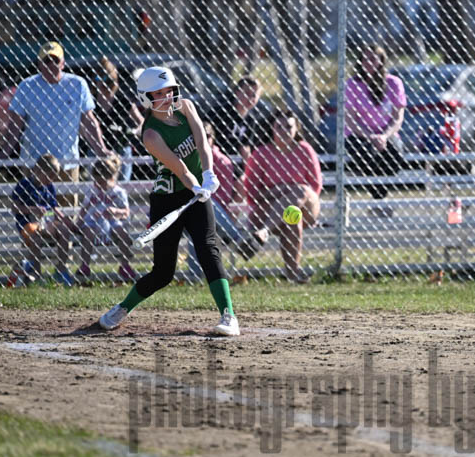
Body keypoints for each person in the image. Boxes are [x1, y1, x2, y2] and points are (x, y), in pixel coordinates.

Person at [97, 66, 238, 336]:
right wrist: (196, 185)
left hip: (197, 193)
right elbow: (181, 169)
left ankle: (228, 316)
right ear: (146, 97)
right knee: (163, 272)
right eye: (158, 94)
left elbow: (202, 142)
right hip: (167, 198)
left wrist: (208, 174)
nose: (166, 98)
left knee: (208, 249)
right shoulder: (151, 134)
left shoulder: (185, 106)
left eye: (169, 91)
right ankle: (123, 307)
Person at [8, 41, 109, 206]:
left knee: (67, 211)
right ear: (39, 64)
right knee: (36, 210)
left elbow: (88, 120)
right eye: (46, 60)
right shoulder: (27, 86)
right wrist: (5, 150)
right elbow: (15, 123)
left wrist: (101, 149)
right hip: (35, 163)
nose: (51, 65)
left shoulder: (77, 84)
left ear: (63, 63)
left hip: (66, 163)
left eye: (55, 60)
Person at [245, 109, 323, 283]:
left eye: (289, 127)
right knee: (292, 215)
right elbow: (252, 193)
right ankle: (293, 273)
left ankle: (264, 232)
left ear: (296, 129)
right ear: (272, 129)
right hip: (270, 210)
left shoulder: (305, 150)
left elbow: (314, 187)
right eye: (279, 127)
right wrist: (284, 190)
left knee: (300, 193)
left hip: (307, 207)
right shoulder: (261, 154)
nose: (284, 131)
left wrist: (283, 190)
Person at [186, 122, 268, 277]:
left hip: (213, 217)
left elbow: (222, 199)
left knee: (203, 209)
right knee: (200, 206)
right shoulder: (184, 160)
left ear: (213, 138)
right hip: (183, 212)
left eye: (207, 136)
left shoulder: (223, 162)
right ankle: (238, 240)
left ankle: (195, 277)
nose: (202, 139)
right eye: (197, 135)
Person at [344, 45, 406, 208]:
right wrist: (370, 136)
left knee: (395, 155)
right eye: (365, 59)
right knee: (366, 153)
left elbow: (398, 118)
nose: (368, 63)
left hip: (387, 134)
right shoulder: (353, 84)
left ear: (381, 61)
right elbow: (350, 120)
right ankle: (379, 200)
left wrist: (384, 136)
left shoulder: (394, 83)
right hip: (359, 135)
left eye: (373, 59)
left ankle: (378, 200)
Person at [7, 153, 78, 287]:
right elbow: (15, 207)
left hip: (46, 222)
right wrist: (32, 209)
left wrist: (65, 220)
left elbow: (53, 208)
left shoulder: (49, 186)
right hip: (28, 223)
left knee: (63, 230)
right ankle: (36, 272)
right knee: (36, 238)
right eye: (49, 176)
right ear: (38, 170)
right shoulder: (24, 184)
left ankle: (61, 270)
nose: (51, 180)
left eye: (54, 177)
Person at [75, 155, 137, 285]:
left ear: (112, 178)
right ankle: (85, 265)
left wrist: (115, 211)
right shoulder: (92, 191)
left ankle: (125, 265)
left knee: (122, 233)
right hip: (93, 221)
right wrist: (78, 223)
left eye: (102, 182)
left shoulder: (119, 192)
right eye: (96, 181)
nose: (98, 185)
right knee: (88, 232)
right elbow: (84, 209)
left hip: (113, 221)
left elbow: (126, 212)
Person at [202, 76, 274, 177]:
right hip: (216, 159)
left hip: (236, 163)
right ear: (237, 92)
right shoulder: (220, 112)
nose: (250, 98)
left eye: (254, 95)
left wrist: (247, 172)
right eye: (247, 93)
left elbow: (245, 148)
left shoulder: (251, 119)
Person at [86, 56, 143, 182]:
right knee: (97, 185)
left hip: (120, 148)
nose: (102, 84)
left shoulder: (122, 100)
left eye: (106, 79)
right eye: (98, 79)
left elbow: (141, 121)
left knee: (122, 185)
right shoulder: (91, 101)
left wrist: (135, 131)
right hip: (97, 149)